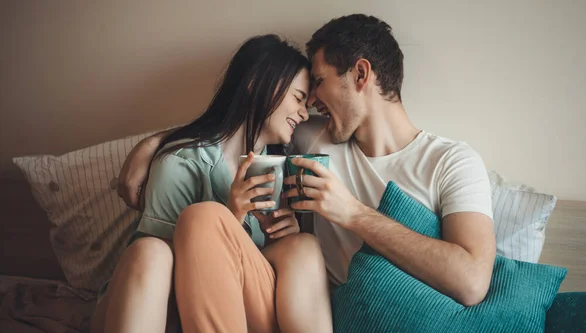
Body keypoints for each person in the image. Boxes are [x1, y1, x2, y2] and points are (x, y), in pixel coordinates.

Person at [119, 13, 496, 312]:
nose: (311, 102)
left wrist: (352, 213)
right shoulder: (312, 137)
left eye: (318, 82)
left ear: (360, 74)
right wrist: (157, 144)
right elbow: (239, 124)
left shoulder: (452, 162)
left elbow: (472, 282)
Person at [91, 34, 333, 333]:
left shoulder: (282, 169)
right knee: (161, 245)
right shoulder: (183, 162)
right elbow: (158, 271)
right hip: (164, 307)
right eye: (298, 98)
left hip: (245, 309)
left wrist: (283, 236)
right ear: (256, 82)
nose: (302, 113)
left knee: (303, 247)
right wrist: (231, 219)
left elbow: (265, 275)